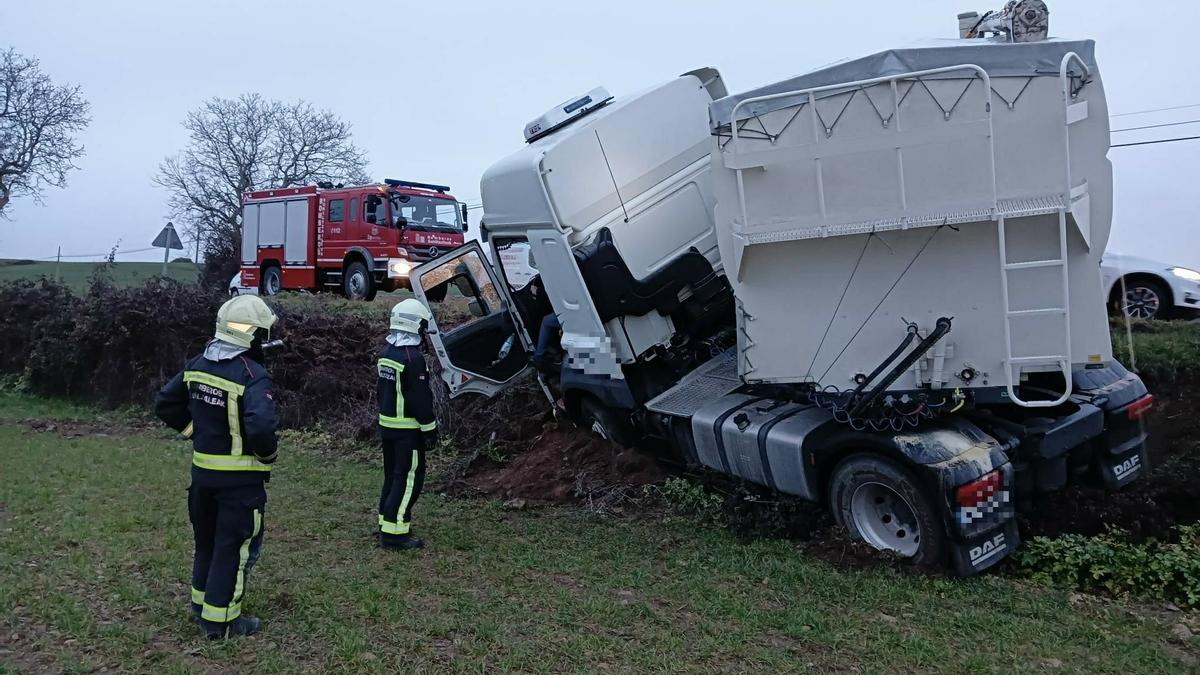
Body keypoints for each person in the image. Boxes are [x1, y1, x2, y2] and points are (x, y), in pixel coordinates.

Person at [154, 295, 280, 639]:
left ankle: (202, 606)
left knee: (206, 543)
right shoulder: (253, 375)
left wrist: (196, 433)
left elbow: (165, 403)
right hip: (240, 485)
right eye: (262, 335)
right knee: (234, 548)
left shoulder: (197, 364)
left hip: (202, 478)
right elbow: (261, 428)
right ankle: (221, 622)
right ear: (251, 334)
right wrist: (267, 457)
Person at [376, 298, 439, 550]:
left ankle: (385, 521)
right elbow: (419, 399)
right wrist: (430, 428)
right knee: (409, 479)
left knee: (392, 476)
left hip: (387, 427)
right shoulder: (413, 359)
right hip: (407, 431)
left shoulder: (387, 353)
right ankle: (395, 533)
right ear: (415, 325)